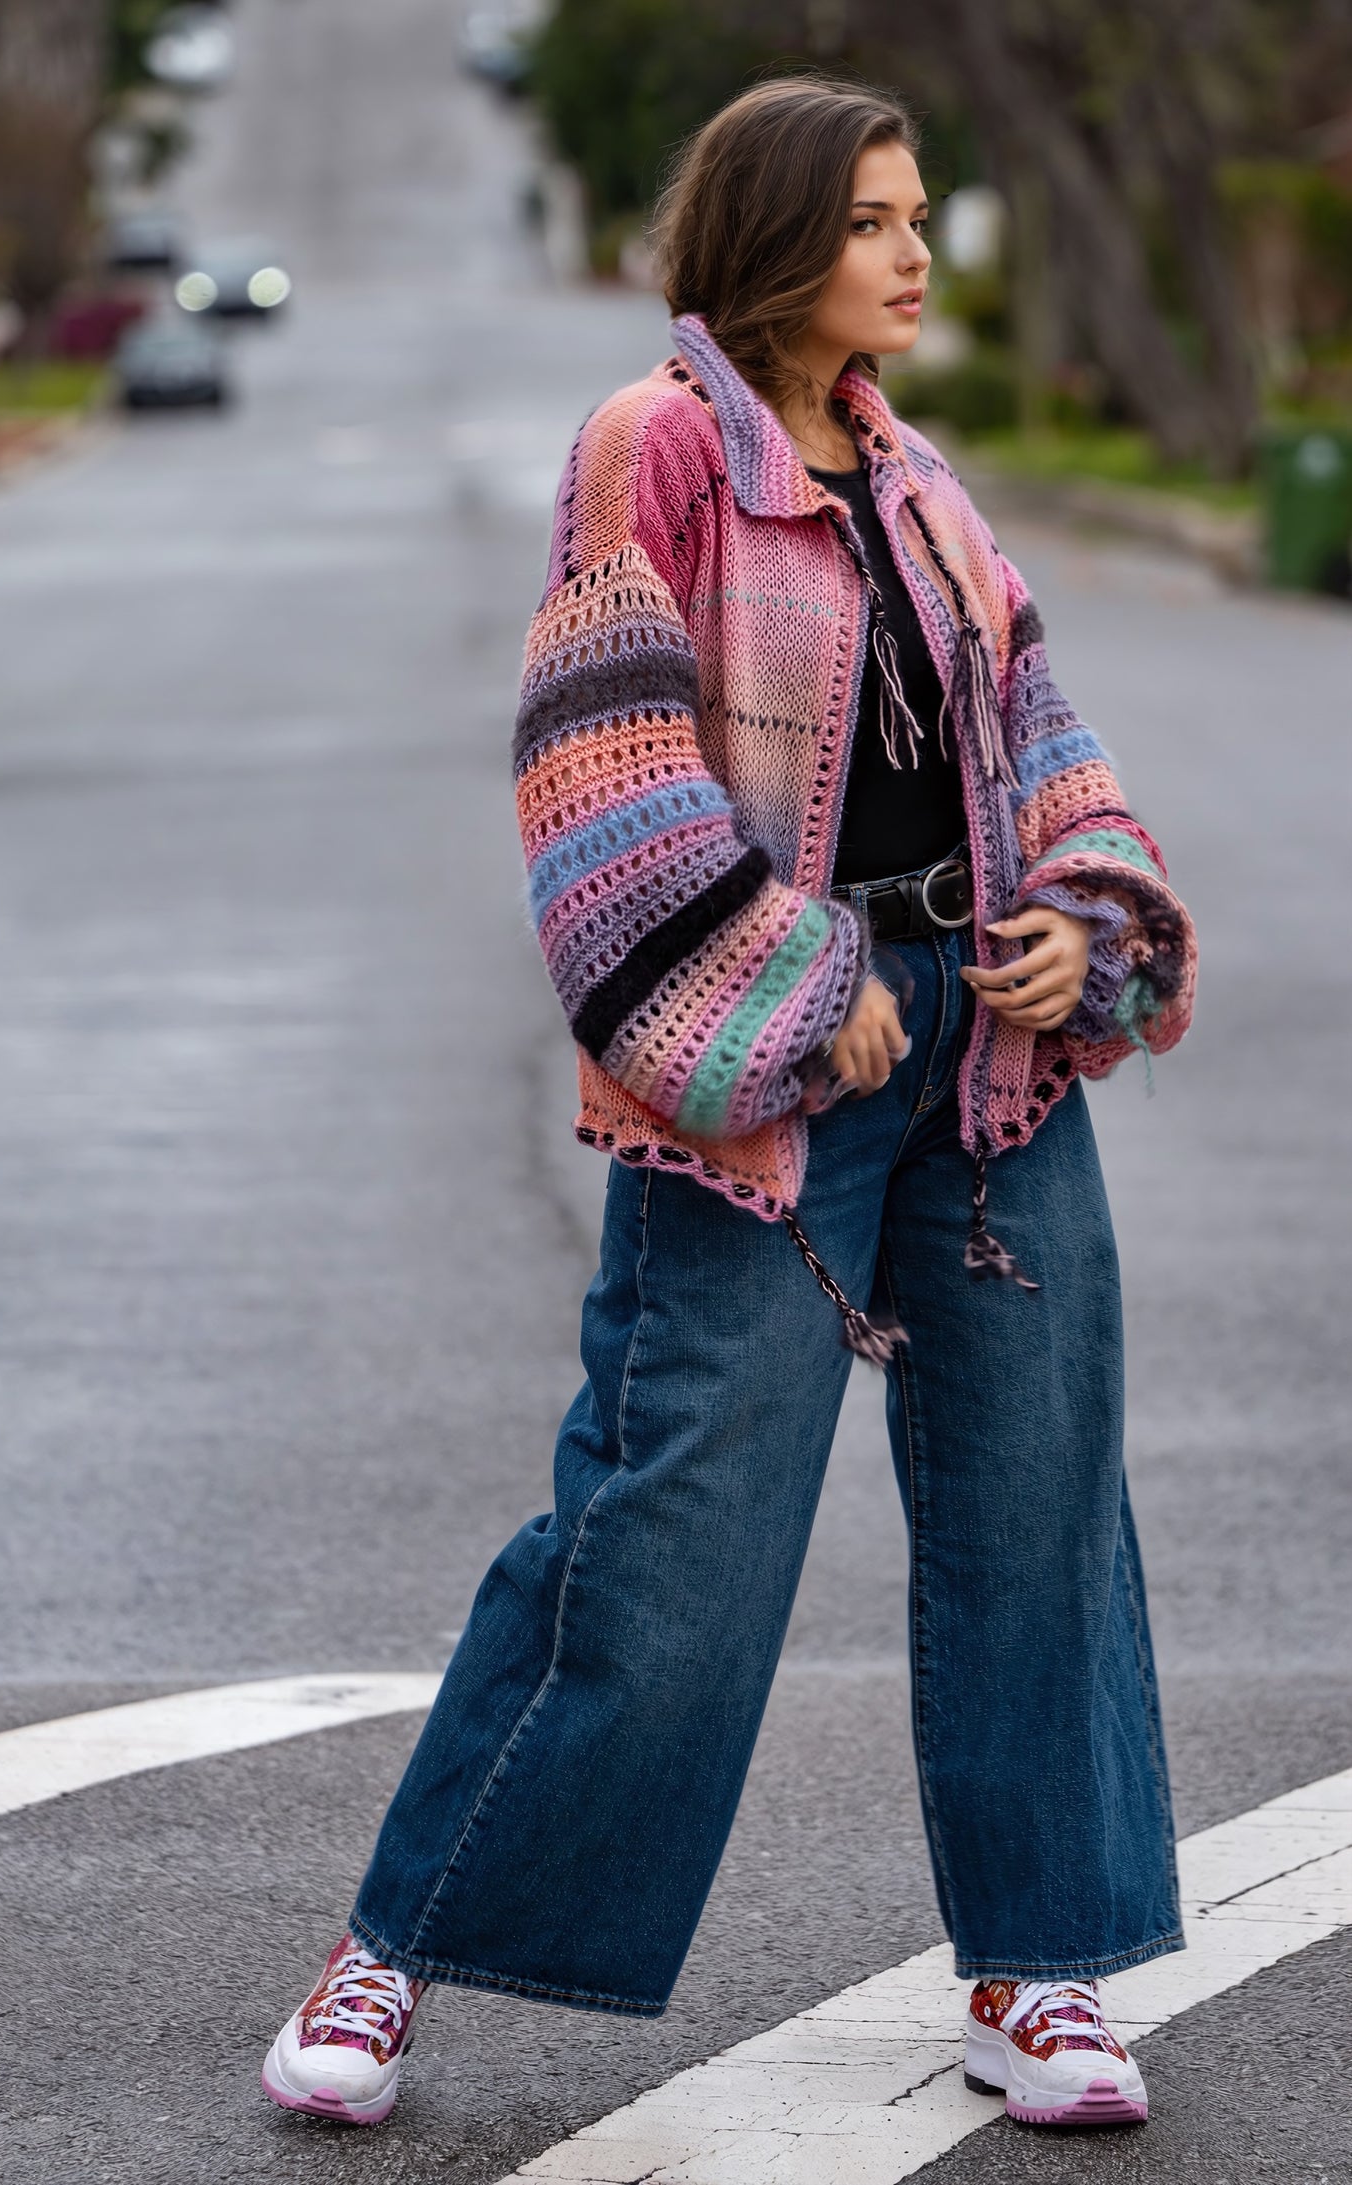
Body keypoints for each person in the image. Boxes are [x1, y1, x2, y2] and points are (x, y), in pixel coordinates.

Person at [261, 75, 1197, 2134]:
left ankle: (1037, 1970)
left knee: (1037, 1515)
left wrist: (1083, 923)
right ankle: (389, 1947)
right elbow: (593, 756)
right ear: (780, 234)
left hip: (988, 1054)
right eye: (877, 215)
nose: (917, 248)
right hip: (778, 1067)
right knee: (665, 1530)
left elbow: (1045, 731)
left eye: (922, 211)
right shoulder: (660, 449)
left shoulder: (923, 480)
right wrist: (801, 982)